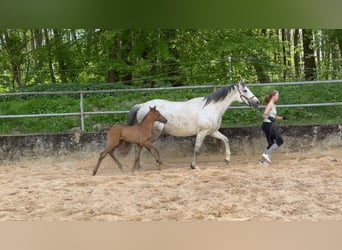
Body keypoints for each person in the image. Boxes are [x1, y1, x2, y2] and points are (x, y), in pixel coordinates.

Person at [260, 90, 286, 164]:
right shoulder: (270, 104)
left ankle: (263, 162)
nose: (278, 97)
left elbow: (274, 116)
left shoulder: (273, 105)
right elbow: (264, 115)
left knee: (271, 143)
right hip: (268, 125)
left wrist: (282, 118)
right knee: (280, 141)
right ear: (273, 96)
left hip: (269, 125)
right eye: (277, 95)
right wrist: (269, 117)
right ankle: (266, 154)